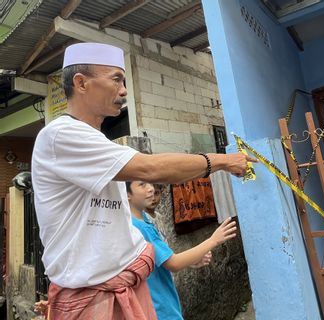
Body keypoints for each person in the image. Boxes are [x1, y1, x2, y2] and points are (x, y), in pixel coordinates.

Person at [31, 42, 255, 319]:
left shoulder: (97, 142)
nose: (124, 90)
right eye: (116, 79)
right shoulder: (60, 135)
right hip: (96, 298)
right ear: (81, 83)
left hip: (126, 286)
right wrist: (223, 160)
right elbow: (149, 168)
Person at [127, 181, 236, 319]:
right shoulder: (139, 227)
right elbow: (174, 263)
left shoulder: (141, 221)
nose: (150, 189)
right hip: (159, 308)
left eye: (150, 183)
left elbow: (164, 259)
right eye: (142, 185)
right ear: (127, 194)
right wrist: (213, 240)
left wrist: (190, 261)